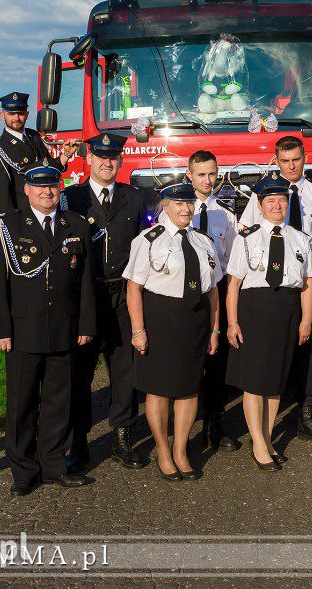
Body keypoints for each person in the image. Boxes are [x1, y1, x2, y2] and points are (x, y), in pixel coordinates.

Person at [0, 161, 96, 495]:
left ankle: (54, 466)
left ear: (59, 189)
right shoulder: (7, 226)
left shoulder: (75, 224)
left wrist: (86, 324)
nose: (47, 192)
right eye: (40, 186)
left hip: (65, 330)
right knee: (22, 405)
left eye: (53, 186)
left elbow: (85, 283)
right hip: (21, 333)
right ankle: (23, 471)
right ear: (27, 190)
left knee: (60, 403)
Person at [61, 133, 155, 472]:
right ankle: (78, 444)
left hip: (123, 295)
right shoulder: (70, 199)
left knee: (124, 370)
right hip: (85, 297)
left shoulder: (136, 197)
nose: (107, 162)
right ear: (89, 159)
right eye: (100, 156)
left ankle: (122, 436)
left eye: (113, 157)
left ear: (120, 161)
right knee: (79, 374)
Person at [239, 135, 312, 441]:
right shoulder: (267, 193)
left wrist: (303, 262)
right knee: (269, 352)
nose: (292, 165)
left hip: (302, 279)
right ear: (276, 161)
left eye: (296, 159)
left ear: (304, 157)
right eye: (285, 160)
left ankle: (307, 413)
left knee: (306, 345)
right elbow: (248, 231)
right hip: (267, 285)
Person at [124, 181, 222, 481]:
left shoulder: (203, 241)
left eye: (190, 202)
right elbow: (134, 288)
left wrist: (214, 330)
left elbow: (213, 291)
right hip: (160, 319)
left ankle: (181, 450)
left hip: (194, 321)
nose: (186, 208)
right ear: (165, 205)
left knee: (189, 388)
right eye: (178, 203)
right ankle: (164, 452)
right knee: (160, 390)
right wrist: (138, 330)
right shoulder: (148, 239)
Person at [226, 173, 312, 471]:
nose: (277, 206)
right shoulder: (247, 237)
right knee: (254, 381)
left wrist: (306, 320)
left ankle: (265, 437)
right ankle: (260, 445)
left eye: (282, 200)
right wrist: (232, 322)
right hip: (254, 311)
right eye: (270, 201)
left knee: (275, 381)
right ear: (260, 205)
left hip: (286, 312)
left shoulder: (300, 239)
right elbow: (234, 284)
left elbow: (306, 284)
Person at [188, 150, 241, 451]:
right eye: (201, 175)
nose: (208, 181)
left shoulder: (226, 215)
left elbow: (231, 261)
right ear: (189, 175)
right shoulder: (177, 209)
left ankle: (214, 424)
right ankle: (183, 427)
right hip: (187, 295)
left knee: (216, 361)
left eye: (212, 174)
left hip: (216, 293)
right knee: (188, 361)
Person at [0, 92, 77, 213]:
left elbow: (48, 168)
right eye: (11, 114)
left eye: (21, 114)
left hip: (47, 210)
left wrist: (66, 154)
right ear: (2, 115)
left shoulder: (33, 136)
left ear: (27, 114)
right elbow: (1, 194)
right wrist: (11, 222)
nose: (16, 118)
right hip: (24, 214)